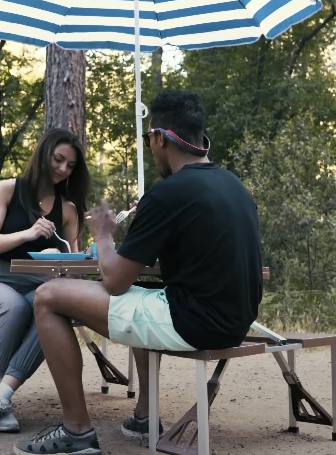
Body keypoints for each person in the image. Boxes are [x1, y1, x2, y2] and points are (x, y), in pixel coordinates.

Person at [13, 90, 263, 455]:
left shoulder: (168, 193)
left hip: (194, 321)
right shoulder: (234, 185)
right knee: (143, 293)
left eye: (149, 138)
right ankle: (145, 415)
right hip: (235, 319)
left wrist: (102, 234)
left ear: (160, 138)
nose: (150, 146)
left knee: (49, 296)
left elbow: (114, 281)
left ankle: (77, 431)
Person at [0, 128, 91, 436]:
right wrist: (29, 233)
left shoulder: (69, 209)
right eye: (58, 159)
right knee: (14, 305)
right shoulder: (7, 189)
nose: (63, 169)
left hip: (40, 285)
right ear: (43, 154)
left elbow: (72, 267)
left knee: (52, 308)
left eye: (70, 165)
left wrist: (87, 255)